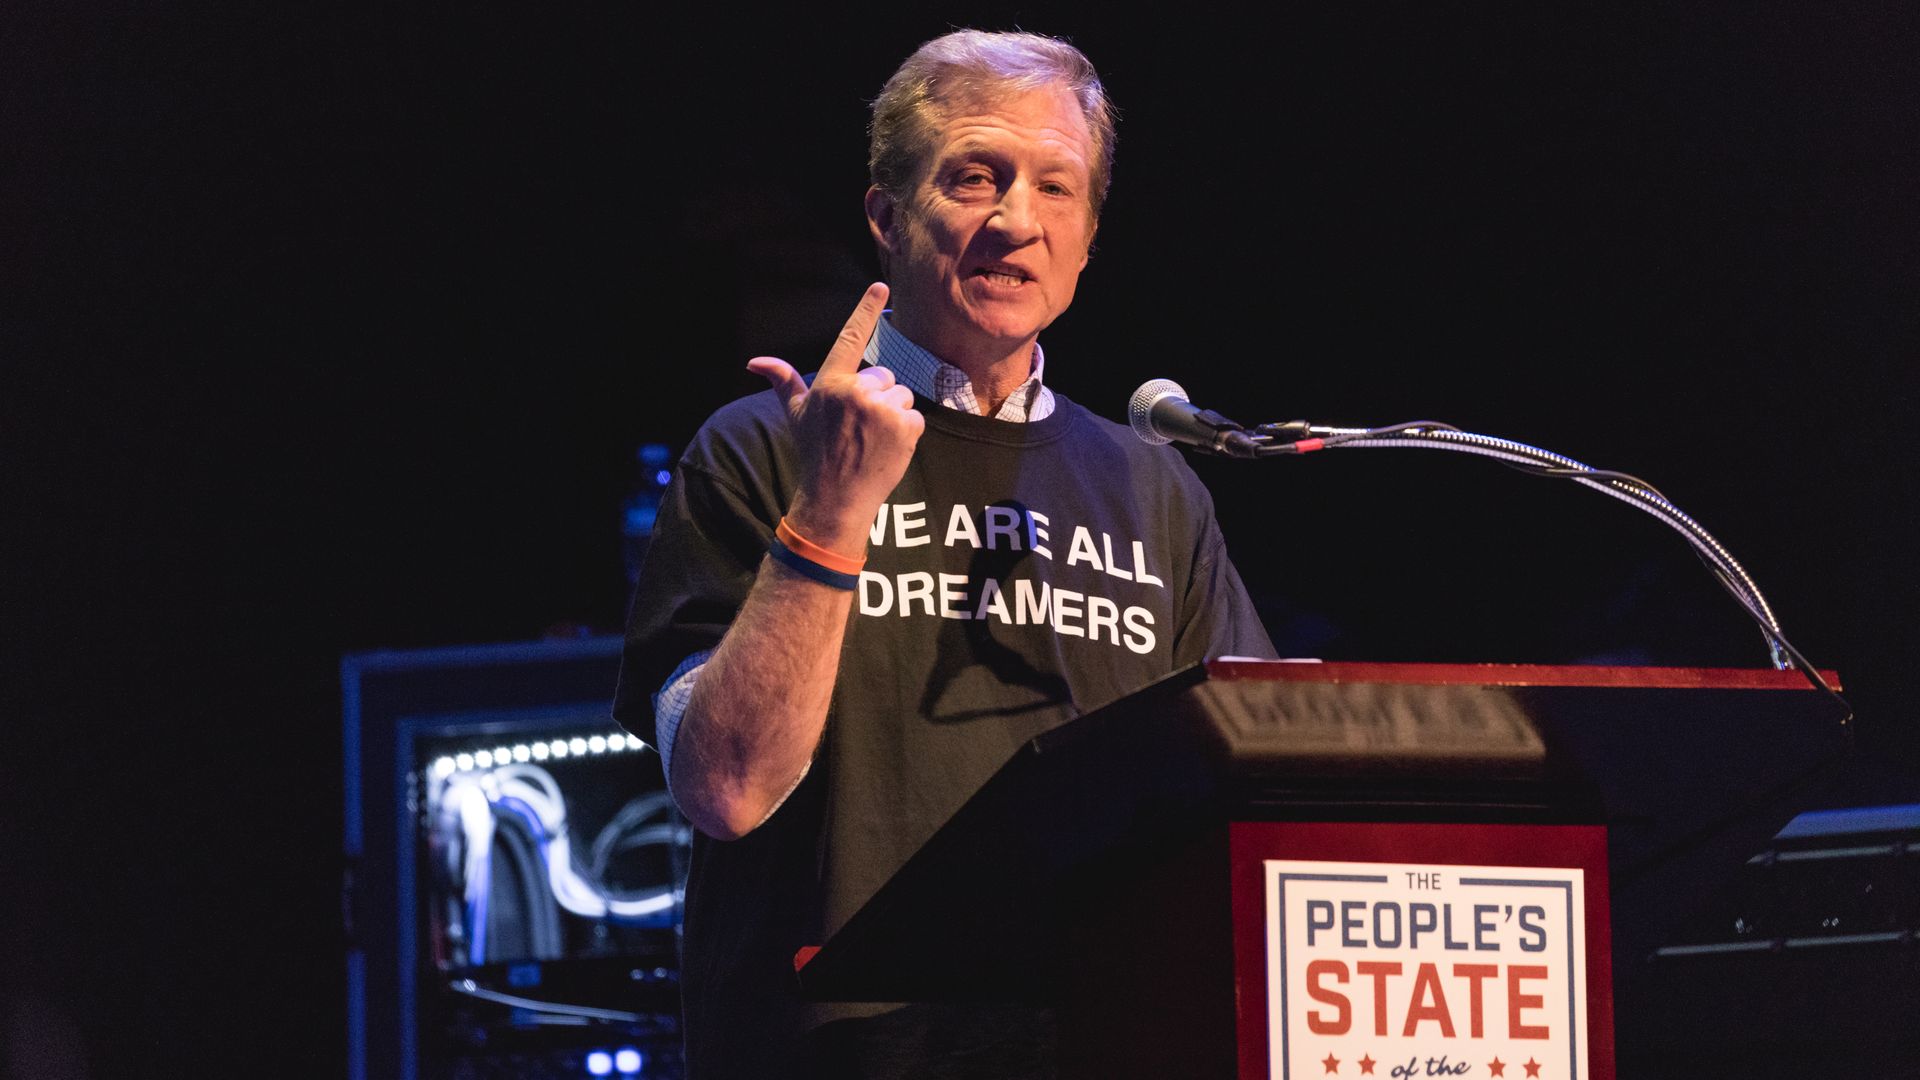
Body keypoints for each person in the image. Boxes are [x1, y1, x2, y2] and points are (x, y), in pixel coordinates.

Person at [614, 29, 1275, 1079]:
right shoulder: (761, 449)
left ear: (1088, 238)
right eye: (975, 177)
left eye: (1056, 187)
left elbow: (1254, 794)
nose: (1017, 220)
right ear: (886, 217)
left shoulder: (1156, 491)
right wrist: (830, 512)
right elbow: (727, 786)